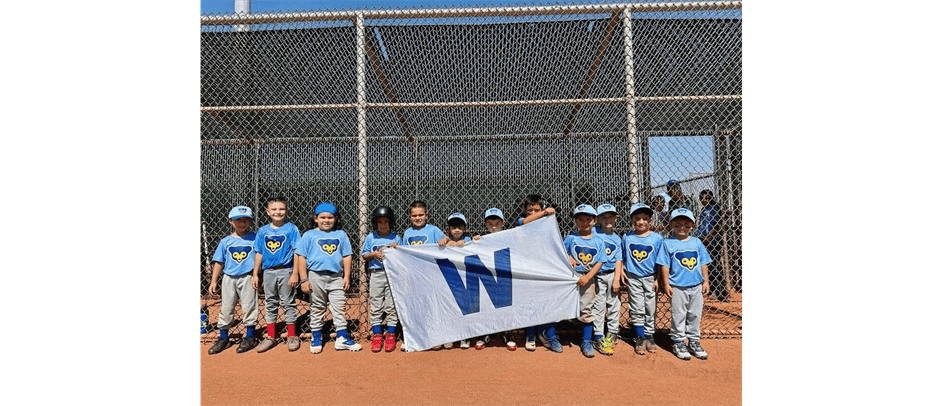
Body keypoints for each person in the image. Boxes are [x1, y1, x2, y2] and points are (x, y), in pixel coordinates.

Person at [296, 202, 362, 353]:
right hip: (315, 276)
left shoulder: (341, 234)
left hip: (336, 276)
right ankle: (316, 335)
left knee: (339, 306)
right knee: (317, 307)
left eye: (330, 217)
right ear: (316, 218)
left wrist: (347, 276)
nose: (326, 220)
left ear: (336, 218)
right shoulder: (309, 235)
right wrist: (304, 279)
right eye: (323, 217)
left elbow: (347, 256)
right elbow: (301, 257)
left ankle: (342, 337)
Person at [656, 208, 711, 361]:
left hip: (696, 285)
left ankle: (693, 341)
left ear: (692, 226)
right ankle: (678, 341)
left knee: (695, 314)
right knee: (679, 315)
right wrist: (665, 284)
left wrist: (706, 281)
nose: (682, 228)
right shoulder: (668, 244)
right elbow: (664, 266)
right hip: (677, 286)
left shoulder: (696, 242)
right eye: (678, 224)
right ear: (671, 224)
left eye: (686, 225)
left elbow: (703, 263)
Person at [390, 200, 446, 350]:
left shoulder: (433, 230)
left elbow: (445, 239)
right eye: (414, 215)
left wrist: (443, 239)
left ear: (426, 215)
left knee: (432, 306)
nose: (418, 218)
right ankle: (414, 337)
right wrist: (396, 247)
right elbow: (403, 251)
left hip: (430, 275)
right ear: (410, 216)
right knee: (415, 306)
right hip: (413, 276)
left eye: (421, 215)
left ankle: (435, 337)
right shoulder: (408, 233)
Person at [251, 197, 302, 353]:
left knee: (288, 302)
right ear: (268, 212)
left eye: (281, 209)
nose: (277, 212)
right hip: (268, 271)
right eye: (274, 209)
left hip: (286, 270)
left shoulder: (291, 229)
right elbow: (259, 253)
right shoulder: (263, 231)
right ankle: (271, 336)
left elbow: (297, 252)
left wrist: (295, 273)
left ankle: (292, 335)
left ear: (286, 211)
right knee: (270, 302)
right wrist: (255, 274)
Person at [207, 206, 259, 355]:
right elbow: (218, 262)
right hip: (229, 278)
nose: (242, 224)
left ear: (249, 222)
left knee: (249, 307)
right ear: (231, 221)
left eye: (245, 220)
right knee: (226, 308)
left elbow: (259, 257)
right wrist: (214, 281)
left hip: (248, 277)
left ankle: (250, 337)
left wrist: (257, 275)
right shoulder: (226, 241)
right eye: (238, 220)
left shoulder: (255, 238)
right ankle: (223, 338)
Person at [621, 203, 664, 355]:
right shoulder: (627, 237)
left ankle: (650, 335)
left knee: (650, 307)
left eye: (645, 219)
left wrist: (659, 278)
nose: (641, 222)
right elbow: (622, 257)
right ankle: (640, 336)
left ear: (650, 221)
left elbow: (661, 261)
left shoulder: (657, 238)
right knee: (636, 306)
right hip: (633, 277)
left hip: (650, 277)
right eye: (637, 218)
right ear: (632, 220)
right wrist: (621, 271)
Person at [516, 194, 556, 351]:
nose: (533, 213)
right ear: (524, 210)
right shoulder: (522, 220)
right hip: (527, 267)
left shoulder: (546, 225)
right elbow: (525, 222)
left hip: (542, 266)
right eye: (530, 210)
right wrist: (544, 212)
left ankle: (541, 332)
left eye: (536, 210)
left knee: (543, 301)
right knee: (530, 302)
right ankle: (530, 334)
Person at [362, 206, 401, 353]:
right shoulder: (371, 237)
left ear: (391, 223)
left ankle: (390, 334)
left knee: (392, 306)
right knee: (376, 304)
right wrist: (374, 254)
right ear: (375, 223)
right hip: (376, 274)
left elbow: (402, 256)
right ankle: (377, 334)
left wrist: (395, 248)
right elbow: (364, 255)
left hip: (392, 275)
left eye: (386, 222)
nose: (383, 225)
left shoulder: (396, 238)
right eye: (380, 222)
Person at [477, 208, 516, 351]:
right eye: (490, 223)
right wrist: (475, 242)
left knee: (506, 305)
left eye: (497, 223)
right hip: (488, 277)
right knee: (486, 304)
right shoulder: (481, 239)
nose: (494, 226)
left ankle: (507, 333)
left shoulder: (510, 237)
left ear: (503, 223)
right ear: (485, 224)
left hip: (505, 276)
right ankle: (485, 331)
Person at [590, 204, 623, 357]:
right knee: (598, 305)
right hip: (596, 274)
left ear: (616, 218)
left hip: (611, 274)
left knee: (614, 304)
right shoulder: (593, 233)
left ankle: (612, 332)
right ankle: (598, 335)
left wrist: (616, 279)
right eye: (603, 217)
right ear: (597, 219)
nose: (607, 219)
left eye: (610, 216)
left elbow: (618, 260)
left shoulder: (617, 238)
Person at [439, 212, 475, 349]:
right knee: (450, 306)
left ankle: (465, 335)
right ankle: (450, 335)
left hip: (466, 279)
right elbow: (438, 246)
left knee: (465, 307)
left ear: (464, 228)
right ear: (449, 229)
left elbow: (474, 243)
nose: (457, 230)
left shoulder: (467, 239)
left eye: (460, 226)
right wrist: (445, 242)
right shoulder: (445, 240)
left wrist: (465, 242)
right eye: (453, 227)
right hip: (451, 279)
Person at [696, 189, 728, 302]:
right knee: (707, 265)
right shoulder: (704, 209)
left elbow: (717, 226)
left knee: (714, 264)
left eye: (704, 198)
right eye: (701, 198)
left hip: (713, 240)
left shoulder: (715, 208)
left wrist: (708, 238)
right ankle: (712, 289)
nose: (702, 200)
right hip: (704, 240)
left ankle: (719, 291)